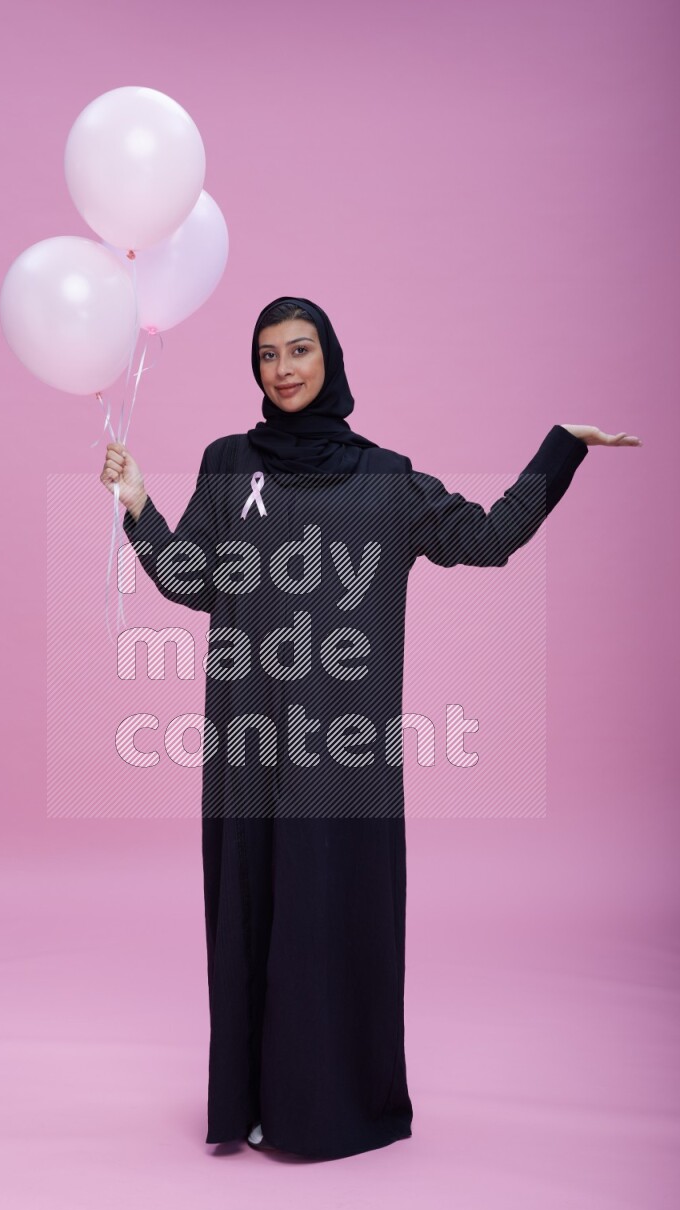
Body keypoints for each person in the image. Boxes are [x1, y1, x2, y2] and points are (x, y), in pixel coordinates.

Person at [101, 296, 641, 1161]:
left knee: (324, 924)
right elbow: (197, 579)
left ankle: (327, 1108)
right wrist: (139, 508)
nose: (283, 368)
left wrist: (561, 448)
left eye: (300, 349)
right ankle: (251, 1101)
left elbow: (492, 536)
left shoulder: (384, 481)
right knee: (253, 915)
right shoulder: (228, 463)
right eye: (268, 354)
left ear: (331, 357)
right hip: (247, 749)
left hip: (341, 762)